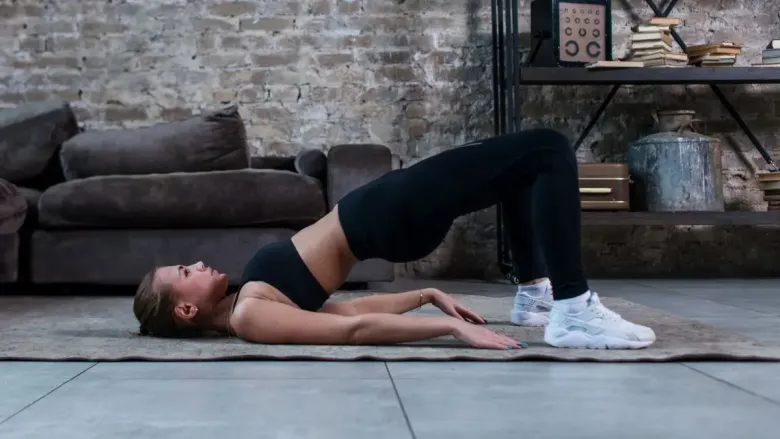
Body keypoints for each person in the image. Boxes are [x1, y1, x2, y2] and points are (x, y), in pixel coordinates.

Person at [133, 128, 656, 350]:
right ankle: (571, 307)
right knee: (546, 150)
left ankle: (537, 295)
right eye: (184, 274)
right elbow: (354, 332)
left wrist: (426, 297)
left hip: (384, 214)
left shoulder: (251, 301)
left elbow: (341, 313)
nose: (196, 264)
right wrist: (448, 331)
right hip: (385, 214)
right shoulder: (249, 316)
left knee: (522, 170)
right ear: (184, 311)